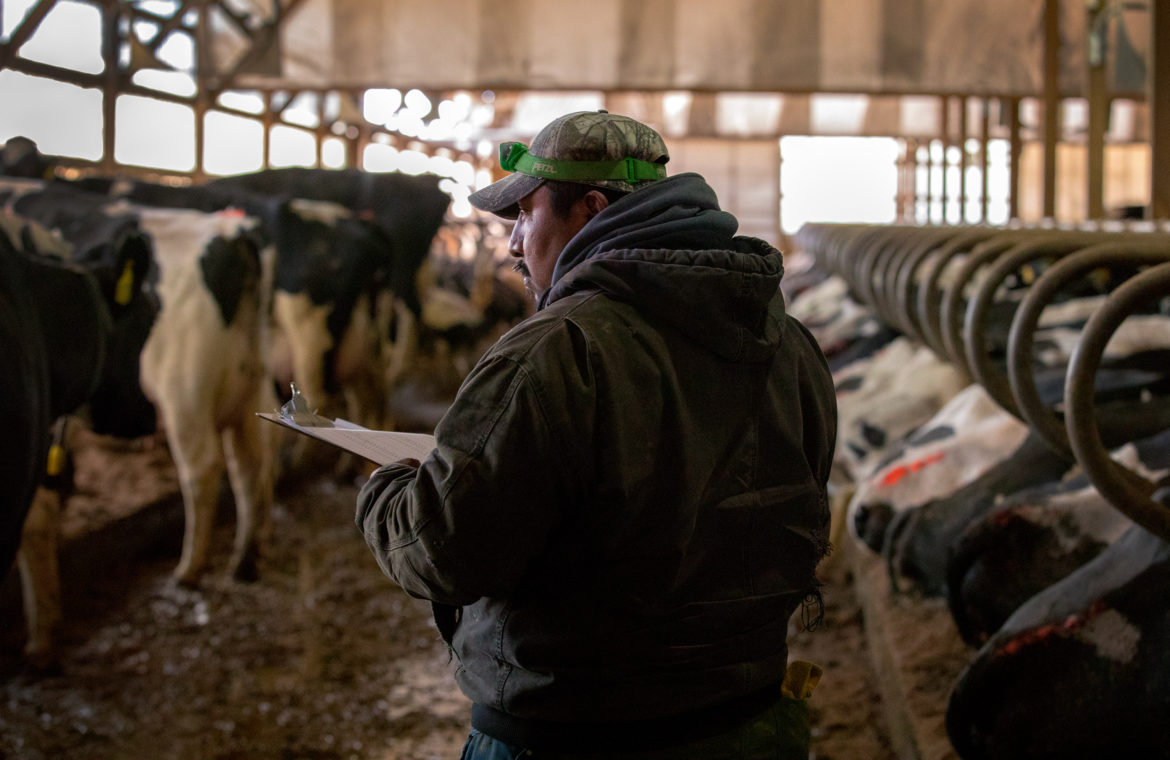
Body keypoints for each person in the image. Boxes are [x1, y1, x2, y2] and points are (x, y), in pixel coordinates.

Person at [356, 110, 837, 759]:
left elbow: (444, 548)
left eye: (525, 214)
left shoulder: (555, 352)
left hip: (573, 735)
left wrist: (385, 490)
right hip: (753, 727)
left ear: (586, 209)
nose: (515, 243)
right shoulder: (790, 345)